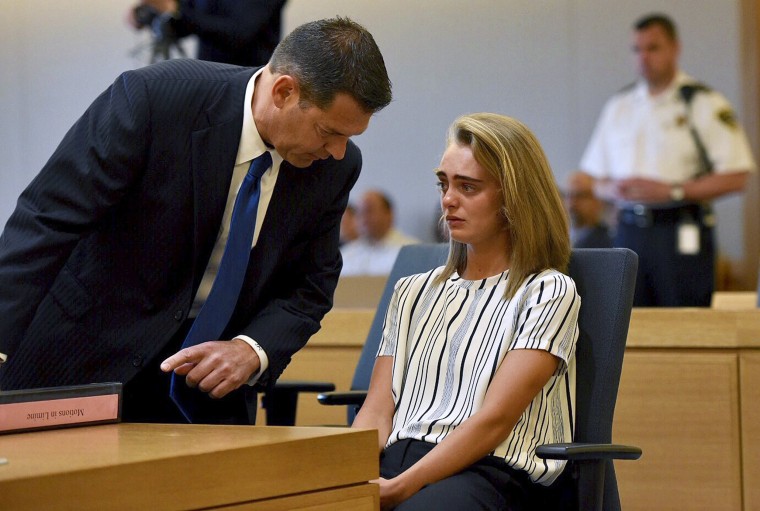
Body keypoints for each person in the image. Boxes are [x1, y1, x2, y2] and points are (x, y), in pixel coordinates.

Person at [0, 17, 392, 425]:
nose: (338, 152)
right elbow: (46, 219)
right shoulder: (156, 99)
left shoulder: (332, 169)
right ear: (283, 91)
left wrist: (250, 349)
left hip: (203, 392)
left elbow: (311, 286)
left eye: (351, 138)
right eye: (329, 132)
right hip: (80, 360)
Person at [352, 113, 580, 510]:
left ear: (514, 197)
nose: (447, 200)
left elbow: (493, 421)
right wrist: (352, 474)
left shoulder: (547, 292)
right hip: (399, 460)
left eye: (467, 187)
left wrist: (402, 487)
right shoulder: (411, 291)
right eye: (444, 184)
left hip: (485, 471)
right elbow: (376, 408)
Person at [580, 13, 756, 307]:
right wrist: (610, 190)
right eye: (637, 50)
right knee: (628, 324)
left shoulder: (702, 102)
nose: (643, 57)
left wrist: (673, 191)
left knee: (686, 323)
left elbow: (738, 176)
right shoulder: (619, 106)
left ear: (675, 48)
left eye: (653, 48)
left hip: (680, 228)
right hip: (629, 230)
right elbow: (592, 178)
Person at [129, 0, 287, 66]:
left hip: (250, 88)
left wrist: (174, 10)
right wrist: (147, 12)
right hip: (210, 82)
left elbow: (238, 34)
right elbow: (185, 20)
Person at [340, 189, 419, 276]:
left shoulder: (412, 252)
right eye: (359, 212)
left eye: (369, 211)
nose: (363, 218)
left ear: (389, 214)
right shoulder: (346, 255)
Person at [564, 170, 613, 248]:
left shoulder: (610, 244)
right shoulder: (553, 238)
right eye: (568, 195)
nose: (571, 203)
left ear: (599, 201)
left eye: (580, 196)